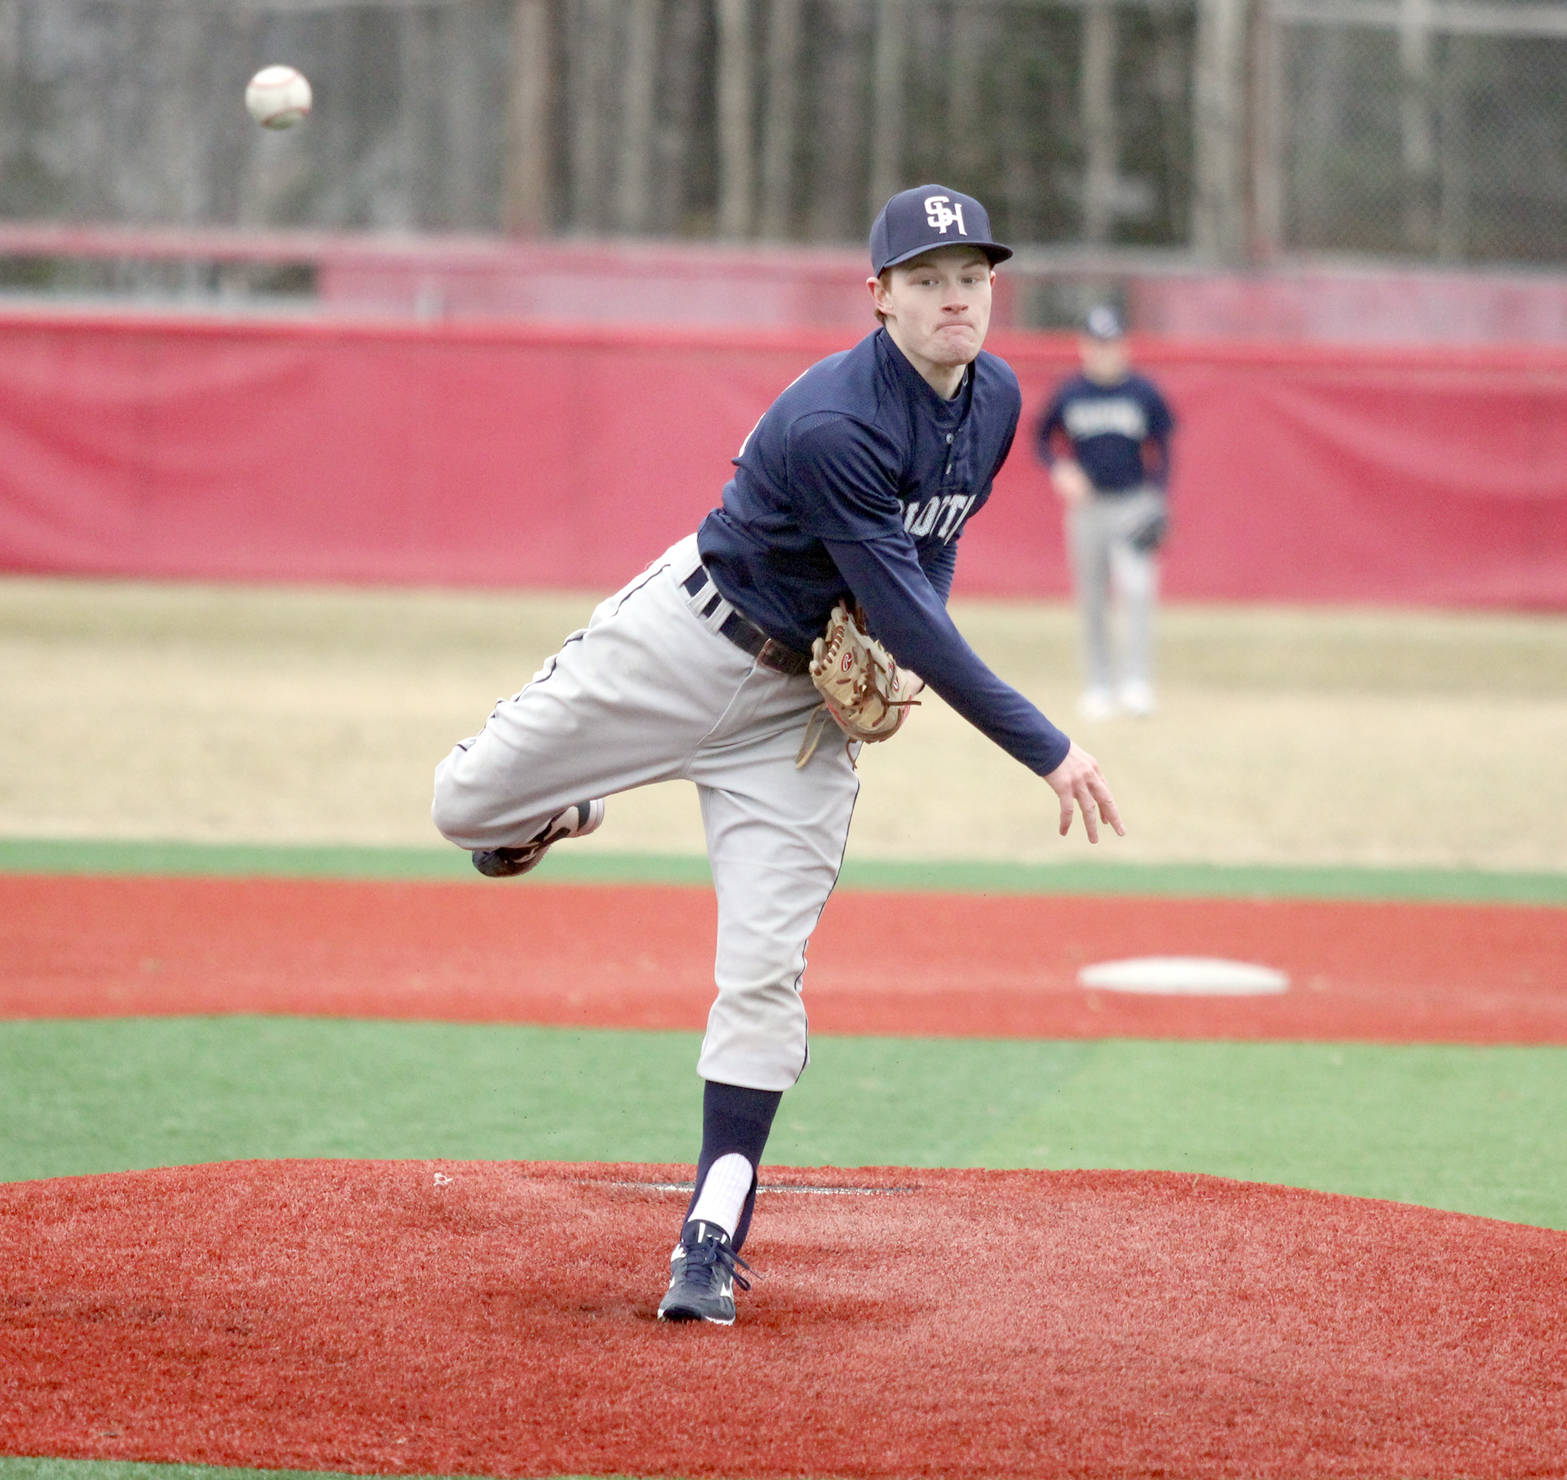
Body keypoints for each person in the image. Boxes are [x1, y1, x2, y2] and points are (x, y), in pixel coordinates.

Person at [430, 184, 1124, 1327]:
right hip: (683, 644)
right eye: (927, 279)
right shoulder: (831, 421)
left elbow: (930, 555)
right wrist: (1045, 748)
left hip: (793, 720)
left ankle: (710, 1233)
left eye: (972, 276)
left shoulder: (994, 399)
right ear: (880, 298)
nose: (956, 297)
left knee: (762, 971)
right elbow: (905, 616)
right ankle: (567, 805)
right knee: (461, 806)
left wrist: (897, 656)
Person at [1035, 304, 1176, 719]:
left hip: (1133, 501)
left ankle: (1136, 683)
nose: (1104, 352)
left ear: (1124, 346)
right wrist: (1060, 469)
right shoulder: (1070, 393)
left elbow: (1164, 449)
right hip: (1088, 508)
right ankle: (1098, 685)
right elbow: (1041, 438)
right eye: (1097, 344)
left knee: (1137, 592)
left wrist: (1159, 499)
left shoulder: (1143, 393)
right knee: (1092, 597)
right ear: (1084, 347)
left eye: (1111, 343)